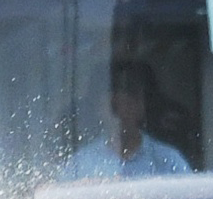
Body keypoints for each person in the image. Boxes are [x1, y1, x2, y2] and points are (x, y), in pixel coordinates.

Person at [61, 63, 191, 181]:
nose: (121, 114)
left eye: (130, 102)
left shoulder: (168, 161)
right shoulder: (80, 165)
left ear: (142, 106)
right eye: (114, 107)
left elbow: (192, 198)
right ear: (99, 109)